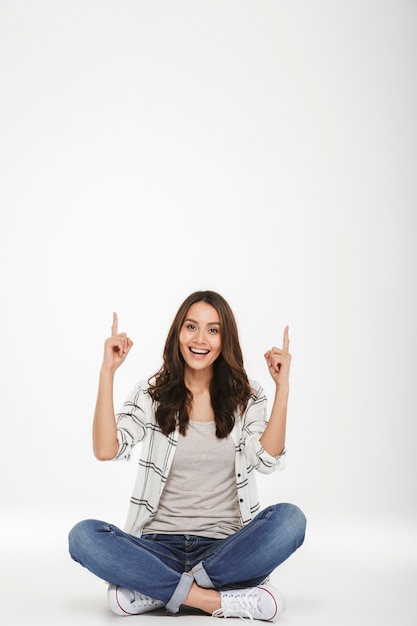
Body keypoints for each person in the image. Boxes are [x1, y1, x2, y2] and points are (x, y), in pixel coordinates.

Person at [68, 290, 306, 622]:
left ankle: (154, 590)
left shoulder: (247, 397)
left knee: (291, 520)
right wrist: (107, 372)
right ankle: (213, 600)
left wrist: (283, 388)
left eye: (213, 330)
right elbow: (106, 449)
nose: (200, 338)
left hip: (224, 548)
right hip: (156, 547)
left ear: (225, 339)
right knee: (83, 536)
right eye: (191, 327)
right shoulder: (151, 394)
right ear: (178, 333)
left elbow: (266, 459)